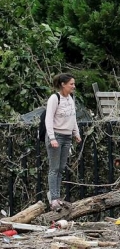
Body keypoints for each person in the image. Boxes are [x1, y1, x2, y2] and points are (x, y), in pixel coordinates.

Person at [45, 73, 81, 212]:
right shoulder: (55, 98)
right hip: (57, 136)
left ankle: (57, 197)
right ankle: (53, 199)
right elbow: (48, 119)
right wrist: (52, 138)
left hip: (67, 137)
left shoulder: (70, 98)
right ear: (63, 84)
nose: (73, 86)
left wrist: (76, 133)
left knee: (61, 168)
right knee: (54, 169)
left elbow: (73, 118)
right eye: (71, 84)